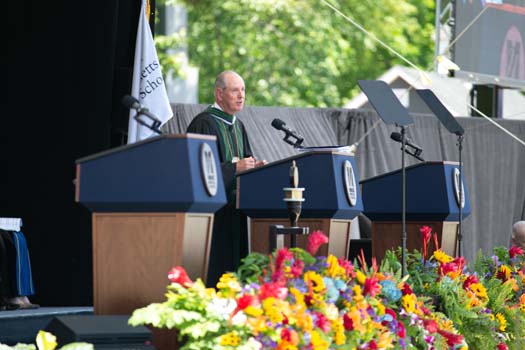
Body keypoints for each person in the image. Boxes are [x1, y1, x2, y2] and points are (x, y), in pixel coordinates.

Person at [187, 71, 266, 287]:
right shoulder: (204, 123)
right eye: (235, 90)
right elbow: (197, 172)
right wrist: (234, 168)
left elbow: (245, 160)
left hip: (236, 210)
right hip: (213, 216)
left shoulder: (238, 126)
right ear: (219, 94)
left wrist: (255, 169)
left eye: (243, 90)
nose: (241, 95)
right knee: (215, 274)